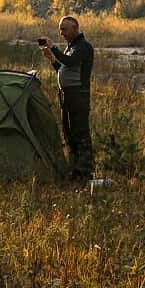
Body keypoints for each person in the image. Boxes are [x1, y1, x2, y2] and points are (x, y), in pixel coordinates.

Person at [42, 16, 95, 180]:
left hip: (78, 96)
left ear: (75, 28)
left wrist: (53, 48)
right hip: (67, 96)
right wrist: (52, 59)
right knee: (69, 133)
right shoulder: (70, 48)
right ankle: (75, 169)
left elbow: (71, 62)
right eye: (60, 29)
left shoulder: (83, 47)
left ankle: (85, 171)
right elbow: (63, 69)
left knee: (80, 133)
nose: (61, 33)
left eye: (64, 29)